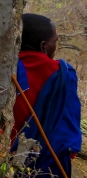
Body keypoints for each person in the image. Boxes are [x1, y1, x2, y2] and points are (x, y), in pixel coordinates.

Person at [12, 13, 81, 177]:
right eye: (55, 41)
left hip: (4, 160)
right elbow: (68, 125)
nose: (55, 46)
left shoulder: (2, 70)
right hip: (48, 164)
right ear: (43, 46)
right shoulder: (62, 75)